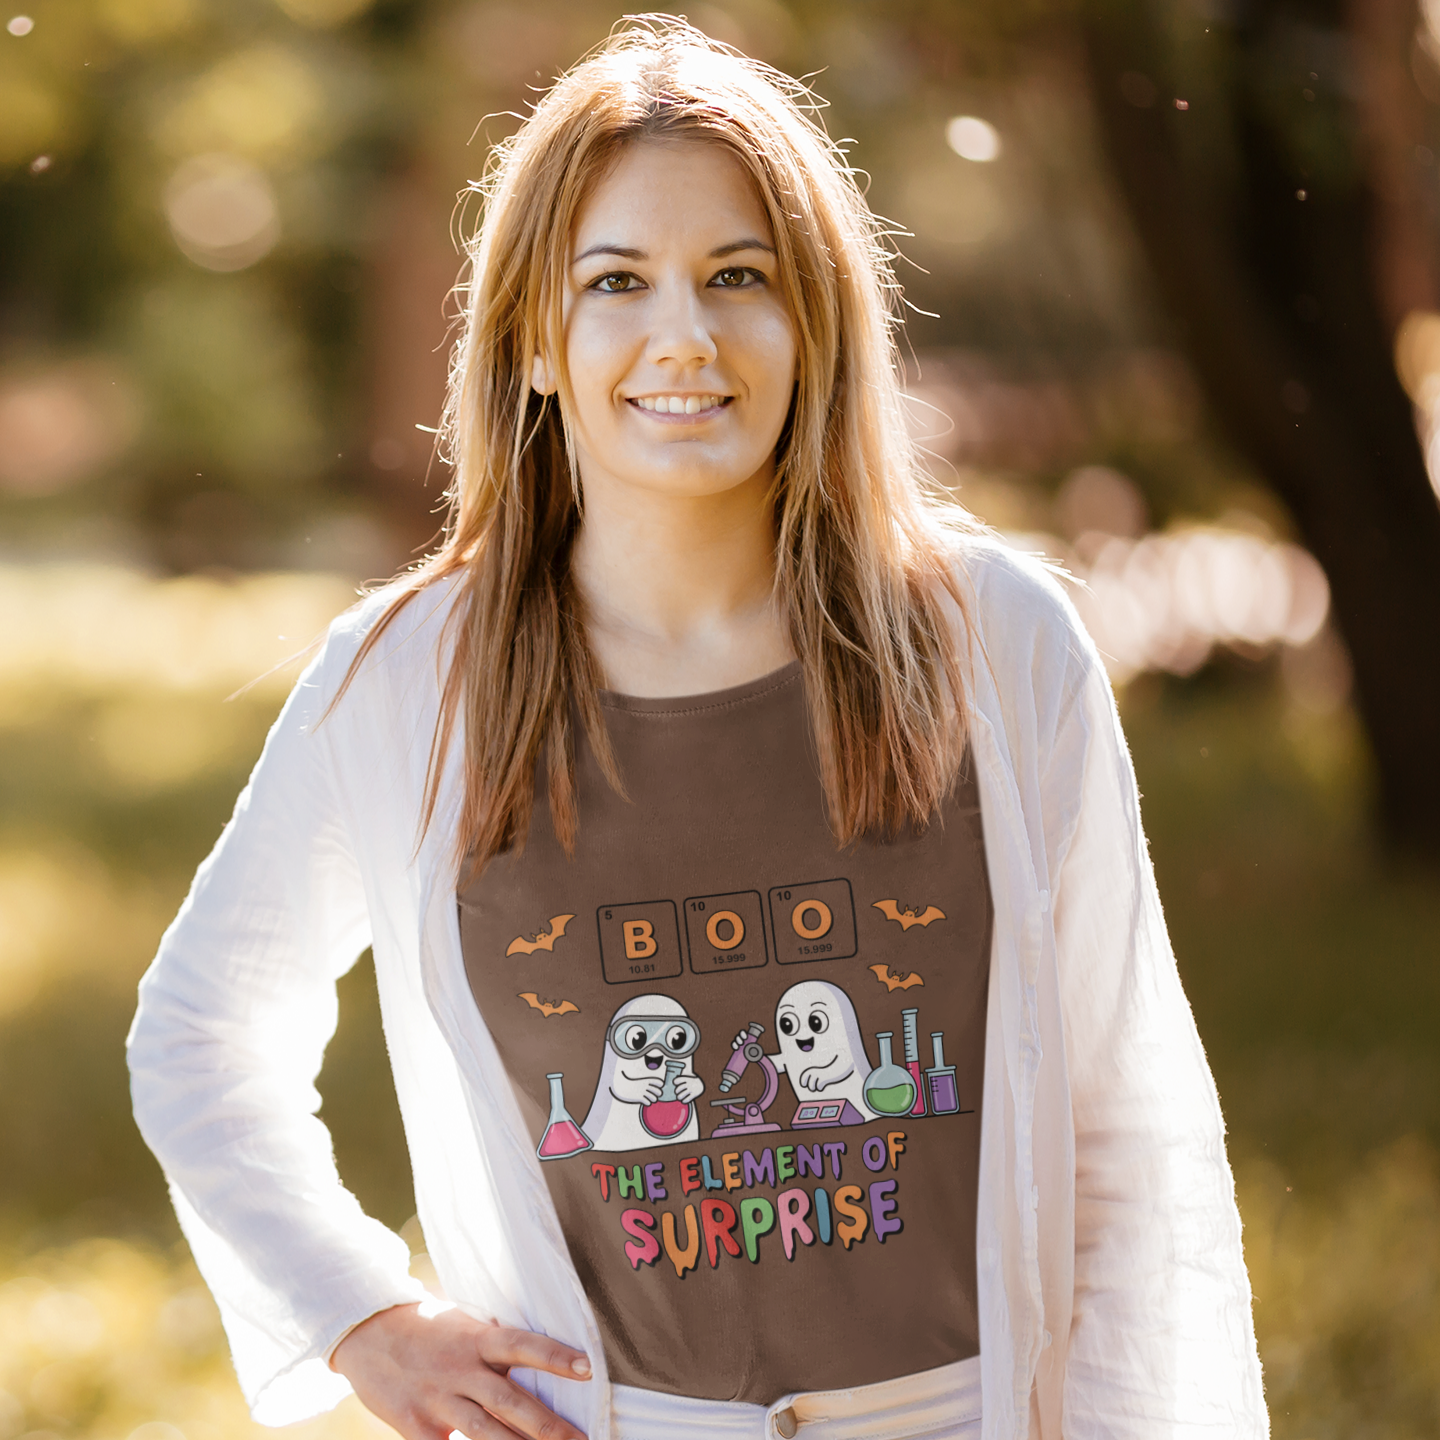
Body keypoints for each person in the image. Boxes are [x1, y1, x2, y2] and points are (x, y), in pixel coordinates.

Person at [127, 19, 1268, 1440]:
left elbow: (1127, 1139)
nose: (685, 337)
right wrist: (359, 1317)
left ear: (818, 324)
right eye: (617, 282)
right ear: (538, 342)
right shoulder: (411, 679)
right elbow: (200, 1032)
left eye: (741, 277)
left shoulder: (996, 640)